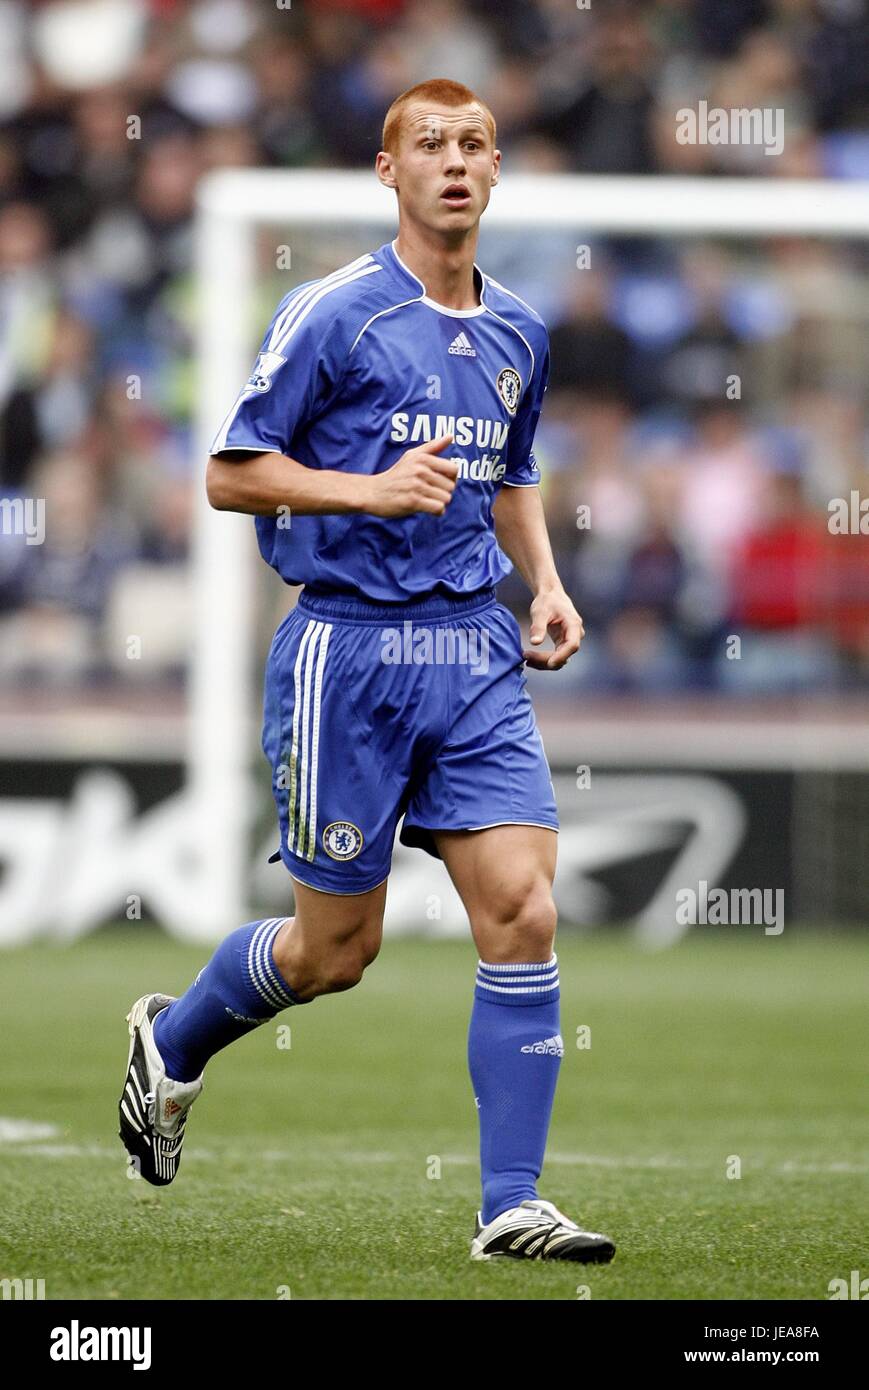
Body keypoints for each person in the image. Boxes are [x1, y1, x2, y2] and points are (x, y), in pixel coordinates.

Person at [118, 77, 615, 1265]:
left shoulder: (519, 332)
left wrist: (543, 580)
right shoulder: (332, 312)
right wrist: (367, 489)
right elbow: (232, 473)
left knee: (523, 910)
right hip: (345, 649)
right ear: (386, 172)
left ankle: (509, 1205)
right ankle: (173, 1043)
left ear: (496, 174)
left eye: (475, 144)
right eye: (429, 144)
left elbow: (511, 472)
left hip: (474, 653)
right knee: (333, 953)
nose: (454, 161)